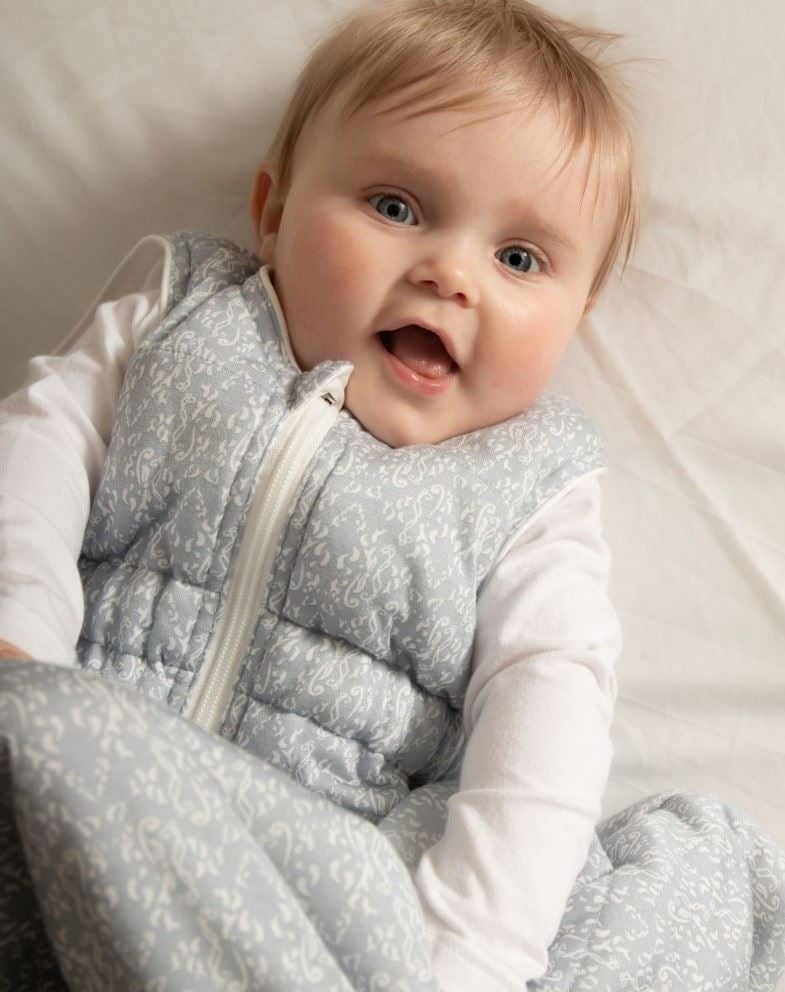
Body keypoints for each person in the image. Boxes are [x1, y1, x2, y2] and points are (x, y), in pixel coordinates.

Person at [2, 2, 784, 991]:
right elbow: (34, 459)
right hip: (80, 812)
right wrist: (20, 643)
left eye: (519, 259)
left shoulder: (527, 482)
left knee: (694, 855)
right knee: (41, 724)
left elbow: (546, 712)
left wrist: (468, 961)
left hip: (340, 896)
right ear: (273, 212)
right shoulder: (177, 321)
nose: (449, 274)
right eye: (396, 207)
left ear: (574, 314)